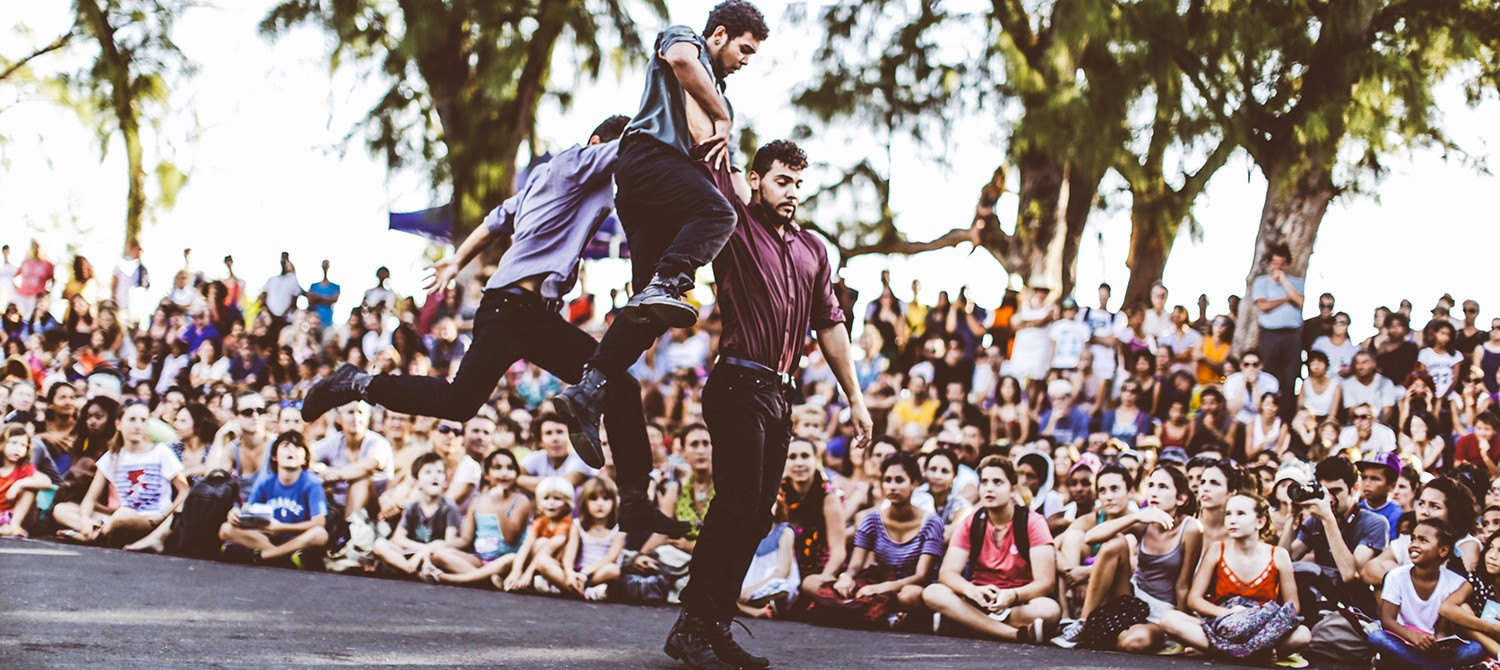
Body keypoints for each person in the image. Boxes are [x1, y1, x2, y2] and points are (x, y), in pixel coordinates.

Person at [300, 116, 686, 539]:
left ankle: (633, 499)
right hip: (507, 309)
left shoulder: (556, 186)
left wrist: (456, 260)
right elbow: (631, 147)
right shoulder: (571, 163)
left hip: (537, 316)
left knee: (620, 385)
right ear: (596, 144)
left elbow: (497, 219)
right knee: (458, 402)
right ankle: (355, 383)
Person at [639, 138, 872, 670]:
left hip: (780, 393)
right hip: (737, 382)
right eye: (781, 181)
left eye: (797, 183)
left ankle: (714, 623)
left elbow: (831, 325)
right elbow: (711, 151)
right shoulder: (735, 223)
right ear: (760, 181)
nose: (791, 192)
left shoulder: (814, 249)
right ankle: (693, 623)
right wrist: (721, 130)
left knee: (758, 515)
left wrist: (854, 398)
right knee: (738, 505)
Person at [555, 0, 768, 471]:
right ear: (720, 35)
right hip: (649, 160)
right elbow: (681, 62)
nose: (746, 61)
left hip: (662, 194)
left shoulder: (721, 99)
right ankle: (667, 280)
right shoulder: (686, 38)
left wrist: (759, 216)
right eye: (745, 49)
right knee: (715, 217)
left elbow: (726, 173)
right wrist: (724, 121)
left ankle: (588, 392)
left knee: (647, 316)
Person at [1052, 465, 1202, 652]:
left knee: (1135, 641)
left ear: (1181, 498)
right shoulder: (1144, 522)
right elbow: (1091, 537)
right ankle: (1084, 624)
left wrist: (1181, 632)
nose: (1154, 492)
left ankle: (1098, 636)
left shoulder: (1191, 528)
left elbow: (1183, 584)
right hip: (1132, 598)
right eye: (1152, 485)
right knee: (1115, 543)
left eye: (1163, 487)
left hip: (1164, 610)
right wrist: (1137, 518)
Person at [922, 455, 1061, 643]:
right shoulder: (972, 522)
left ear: (1012, 490)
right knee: (932, 593)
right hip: (978, 599)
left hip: (1016, 601)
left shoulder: (1033, 522)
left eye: (997, 482)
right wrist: (970, 590)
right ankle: (1013, 634)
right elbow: (948, 573)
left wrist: (1013, 595)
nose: (989, 488)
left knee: (1049, 610)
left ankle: (963, 623)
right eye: (984, 482)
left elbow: (1045, 582)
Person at [1160, 492, 1311, 660]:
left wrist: (1257, 619)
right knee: (1169, 619)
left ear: (1260, 521)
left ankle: (1221, 652)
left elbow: (1292, 606)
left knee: (1303, 634)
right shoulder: (1217, 549)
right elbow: (1194, 599)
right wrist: (1228, 613)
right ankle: (1254, 655)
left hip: (1263, 630)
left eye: (1240, 513)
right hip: (1221, 627)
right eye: (1228, 514)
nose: (1232, 520)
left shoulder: (1279, 555)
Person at [52, 401, 189, 551]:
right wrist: (84, 519)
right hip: (118, 517)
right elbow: (90, 499)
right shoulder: (113, 456)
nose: (138, 425)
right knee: (61, 510)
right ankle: (95, 532)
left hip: (149, 520)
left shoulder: (161, 452)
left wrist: (163, 515)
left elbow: (184, 491)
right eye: (132, 419)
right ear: (118, 424)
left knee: (123, 516)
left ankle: (93, 537)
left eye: (143, 420)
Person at [1370, 520, 1488, 670]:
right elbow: (1387, 620)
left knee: (1476, 649)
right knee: (1377, 638)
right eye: (1413, 538)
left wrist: (1440, 644)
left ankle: (1417, 665)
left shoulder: (1454, 583)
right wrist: (1414, 637)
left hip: (1432, 648)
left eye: (1423, 540)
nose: (1414, 544)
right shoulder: (1397, 576)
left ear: (1443, 551)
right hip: (1405, 640)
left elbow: (1443, 631)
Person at [1281, 456, 1388, 610]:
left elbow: (1350, 574)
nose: (1329, 499)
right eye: (1324, 492)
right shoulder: (1316, 520)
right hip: (1320, 600)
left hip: (1356, 606)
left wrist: (1328, 520)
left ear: (1355, 489)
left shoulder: (1374, 523)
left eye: (1336, 491)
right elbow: (1285, 560)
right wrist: (1292, 517)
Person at [218, 431, 330, 564]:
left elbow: (319, 523)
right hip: (267, 537)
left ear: (305, 459)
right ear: (274, 457)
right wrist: (236, 515)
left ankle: (265, 556)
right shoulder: (266, 482)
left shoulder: (312, 483)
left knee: (320, 534)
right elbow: (249, 511)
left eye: (298, 447)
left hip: (298, 539)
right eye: (286, 445)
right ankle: (284, 557)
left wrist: (282, 527)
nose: (291, 450)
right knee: (226, 529)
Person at [426, 450, 534, 586]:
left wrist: (499, 505)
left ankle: (449, 578)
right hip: (480, 560)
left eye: (510, 468)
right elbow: (466, 539)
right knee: (440, 554)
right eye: (497, 468)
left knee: (510, 559)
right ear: (487, 474)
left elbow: (511, 539)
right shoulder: (478, 501)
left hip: (505, 562)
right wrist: (442, 545)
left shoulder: (520, 501)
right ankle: (487, 580)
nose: (504, 473)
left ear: (516, 474)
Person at [371, 452, 464, 575]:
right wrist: (421, 550)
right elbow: (399, 538)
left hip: (434, 555)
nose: (435, 476)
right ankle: (410, 569)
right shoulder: (413, 505)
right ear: (416, 482)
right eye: (428, 472)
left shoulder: (448, 507)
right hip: (414, 552)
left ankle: (410, 569)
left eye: (439, 472)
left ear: (446, 481)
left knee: (441, 554)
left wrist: (423, 554)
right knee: (379, 544)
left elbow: (448, 542)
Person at [781, 438, 848, 599]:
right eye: (792, 457)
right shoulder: (779, 493)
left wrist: (824, 577)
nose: (799, 463)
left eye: (805, 456)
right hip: (788, 569)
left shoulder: (828, 496)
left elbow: (839, 550)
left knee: (810, 586)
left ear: (816, 460)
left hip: (821, 570)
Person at [545, 476, 625, 601]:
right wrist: (570, 573)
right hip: (579, 571)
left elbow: (611, 558)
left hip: (597, 573)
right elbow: (569, 556)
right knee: (543, 562)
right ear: (584, 502)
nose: (600, 503)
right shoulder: (577, 525)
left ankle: (569, 589)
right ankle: (581, 589)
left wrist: (586, 574)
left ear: (614, 501)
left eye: (605, 498)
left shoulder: (620, 528)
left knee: (613, 570)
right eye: (593, 498)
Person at [499, 476, 574, 593]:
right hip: (537, 561)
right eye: (546, 498)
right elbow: (526, 546)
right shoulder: (540, 521)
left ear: (567, 503)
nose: (551, 503)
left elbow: (549, 549)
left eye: (557, 498)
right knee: (515, 556)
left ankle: (532, 579)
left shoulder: (566, 522)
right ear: (539, 503)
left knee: (543, 542)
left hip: (553, 563)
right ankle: (514, 578)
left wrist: (528, 573)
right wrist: (516, 570)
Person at [0, 423, 51, 536]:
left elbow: (47, 482)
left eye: (23, 445)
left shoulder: (24, 468)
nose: (18, 448)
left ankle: (14, 526)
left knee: (30, 488)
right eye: (14, 443)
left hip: (14, 515)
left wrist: (19, 484)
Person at [1359, 452, 1405, 540]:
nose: (1367, 483)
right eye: (1364, 477)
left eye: (1375, 478)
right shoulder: (1357, 508)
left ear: (1391, 486)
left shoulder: (1396, 515)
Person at [305, 260, 340, 329]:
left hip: (327, 321)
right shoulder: (314, 286)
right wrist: (327, 298)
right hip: (312, 322)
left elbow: (333, 299)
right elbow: (310, 299)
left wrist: (317, 297)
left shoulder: (335, 286)